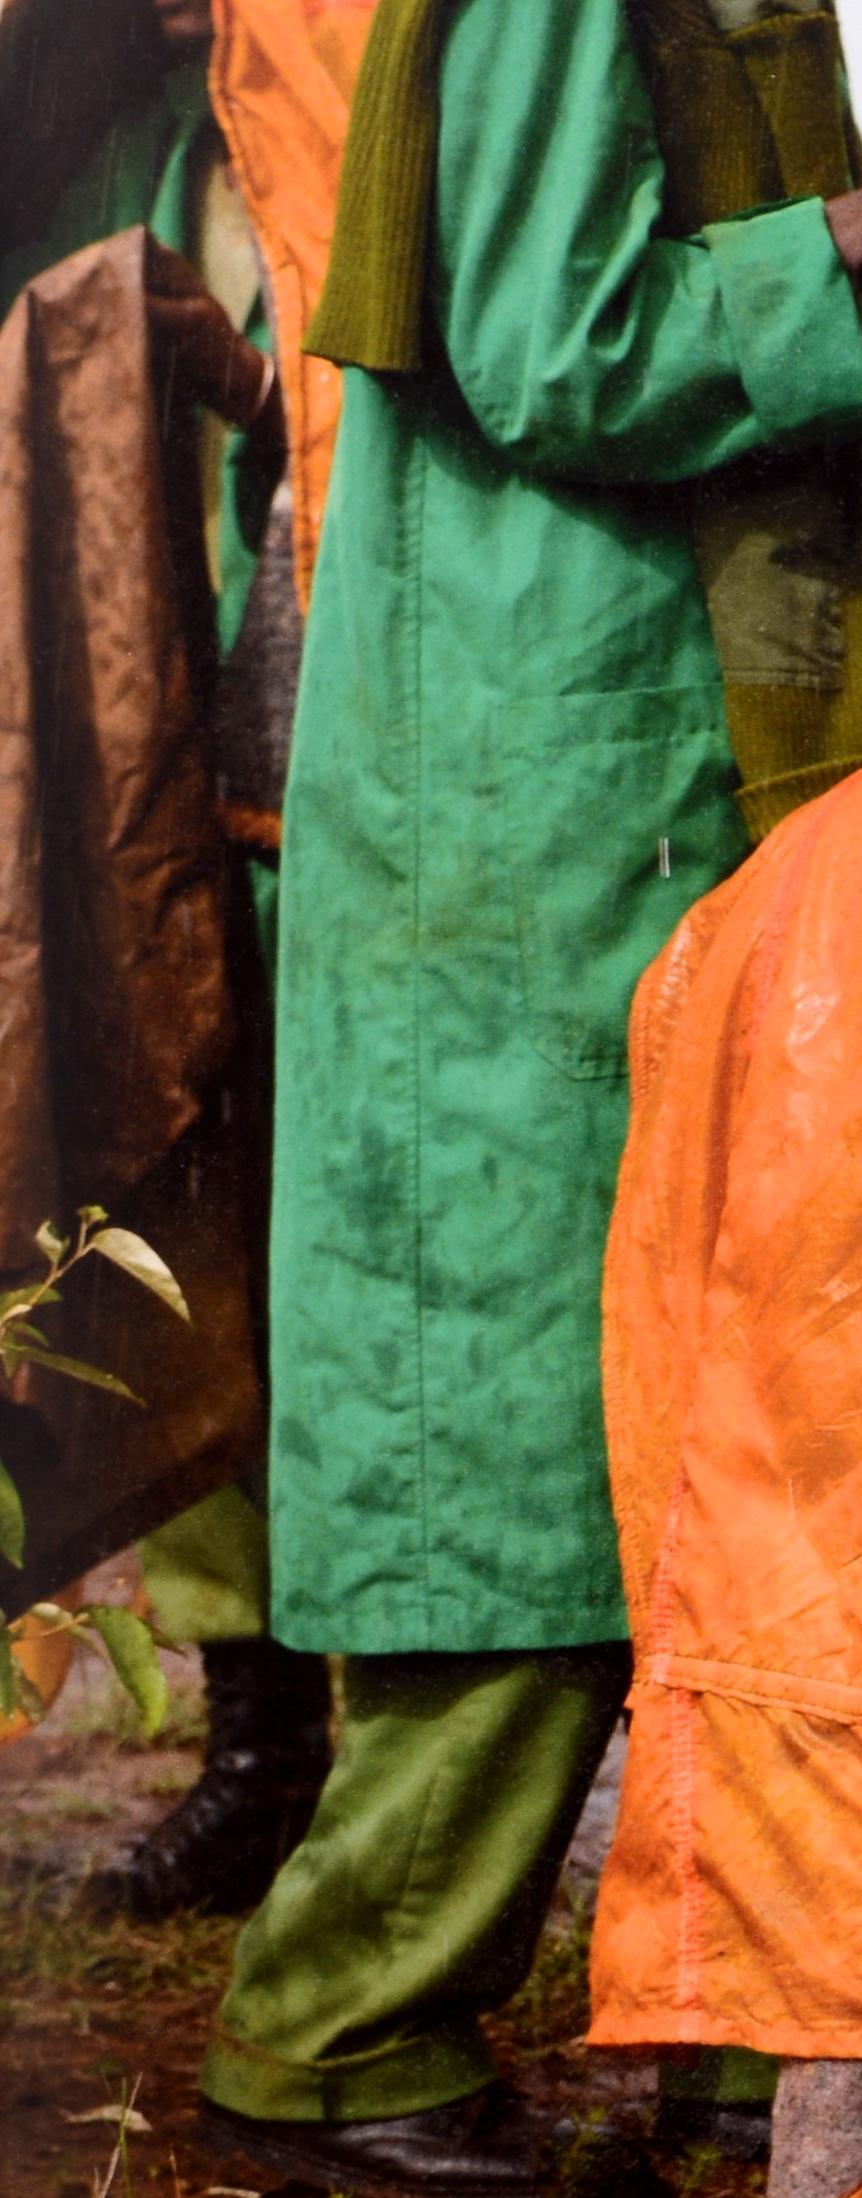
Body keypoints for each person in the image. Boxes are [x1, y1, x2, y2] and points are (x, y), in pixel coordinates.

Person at [195, 0, 862, 2198]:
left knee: (726, 1436)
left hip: (624, 781)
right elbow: (553, 341)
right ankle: (335, 2030)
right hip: (544, 790)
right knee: (532, 1456)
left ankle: (726, 2010)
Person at [1, 0, 334, 1924]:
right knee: (147, 1233)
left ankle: (321, 1744)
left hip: (303, 776)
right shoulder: (101, 139)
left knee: (266, 1241)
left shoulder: (324, 115)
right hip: (106, 788)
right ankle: (256, 1742)